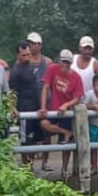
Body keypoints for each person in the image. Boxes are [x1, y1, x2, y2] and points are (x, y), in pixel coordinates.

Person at [39, 49, 83, 177]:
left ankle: (64, 169)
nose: (65, 65)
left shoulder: (76, 77)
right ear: (59, 60)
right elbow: (45, 87)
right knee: (44, 125)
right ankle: (44, 162)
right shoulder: (52, 69)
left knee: (66, 144)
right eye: (63, 62)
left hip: (66, 112)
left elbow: (78, 97)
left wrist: (67, 104)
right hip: (53, 109)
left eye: (68, 63)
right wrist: (43, 107)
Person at [8, 40, 48, 166]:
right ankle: (27, 168)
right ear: (17, 55)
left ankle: (31, 167)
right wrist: (13, 107)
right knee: (26, 141)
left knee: (34, 140)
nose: (27, 57)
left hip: (34, 109)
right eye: (24, 55)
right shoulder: (15, 71)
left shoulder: (30, 67)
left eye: (28, 54)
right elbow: (12, 92)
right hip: (24, 111)